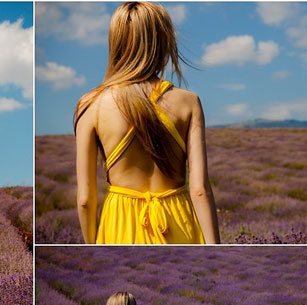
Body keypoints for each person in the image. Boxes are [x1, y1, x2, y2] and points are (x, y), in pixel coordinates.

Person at [75, 1, 220, 244]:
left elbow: (85, 200)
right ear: (162, 43)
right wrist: (215, 250)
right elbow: (200, 190)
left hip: (118, 227)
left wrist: (91, 246)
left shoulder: (91, 105)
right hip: (178, 224)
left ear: (116, 43)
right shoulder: (189, 102)